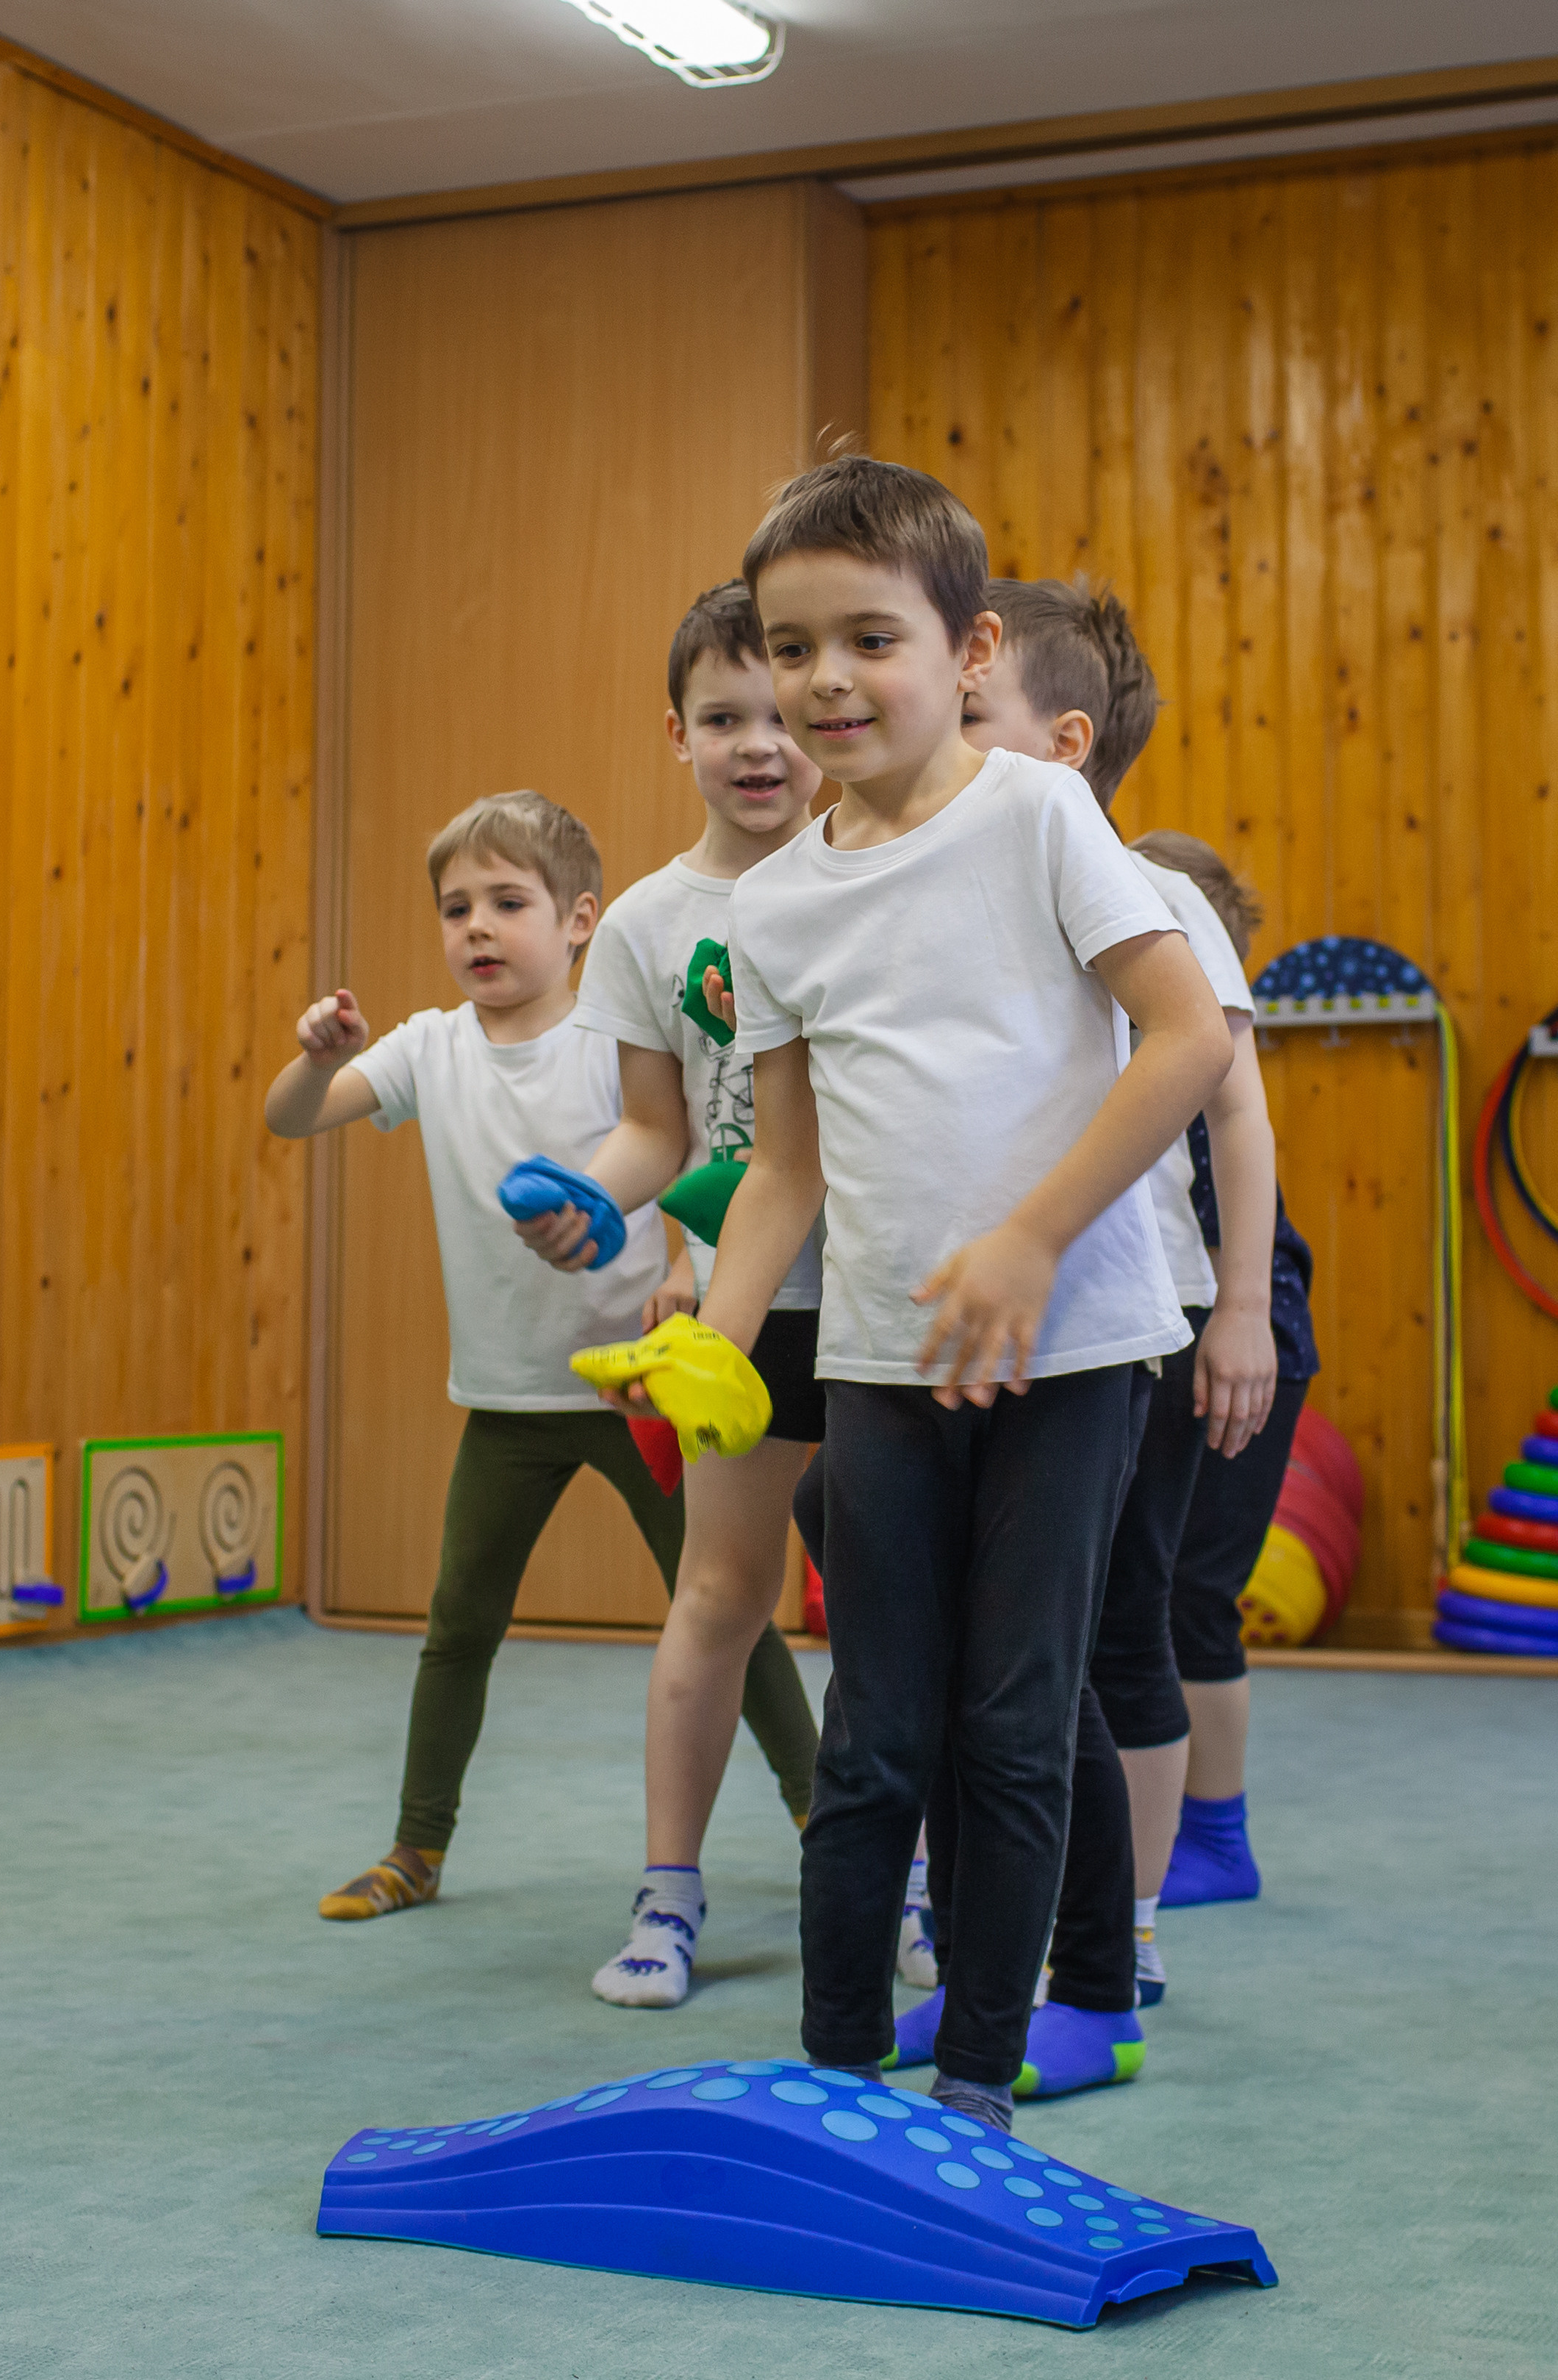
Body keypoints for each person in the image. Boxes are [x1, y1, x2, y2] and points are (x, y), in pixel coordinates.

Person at [638, 454, 1232, 2132]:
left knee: (1011, 1721)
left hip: (1078, 1353)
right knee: (878, 1731)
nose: (826, 681)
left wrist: (1035, 1235)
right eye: (791, 645)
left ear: (969, 653)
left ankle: (976, 2073)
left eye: (868, 641)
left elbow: (1184, 1041)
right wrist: (715, 1331)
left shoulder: (1041, 815)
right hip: (890, 1358)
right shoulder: (774, 906)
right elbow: (787, 1168)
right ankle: (842, 2072)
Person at [264, 789, 813, 1927]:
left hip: (636, 1393)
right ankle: (418, 1846)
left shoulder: (612, 1045)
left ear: (580, 921)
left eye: (507, 902)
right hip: (507, 1404)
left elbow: (683, 1150)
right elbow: (288, 1119)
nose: (476, 927)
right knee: (458, 1624)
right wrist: (317, 1059)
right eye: (456, 906)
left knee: (726, 1609)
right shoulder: (427, 1049)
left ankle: (822, 1817)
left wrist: (677, 1264)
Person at [888, 576, 1278, 2095]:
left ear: (1057, 741)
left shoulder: (1144, 892)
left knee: (1089, 1644)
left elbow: (1230, 1109)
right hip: (1001, 1313)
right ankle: (1017, 1939)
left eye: (969, 710)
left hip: (1140, 1318)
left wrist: (1240, 1309)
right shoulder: (944, 877)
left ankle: (1106, 1958)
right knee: (997, 1651)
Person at [510, 583, 823, 2007]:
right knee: (719, 1589)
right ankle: (668, 1892)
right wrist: (592, 1200)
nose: (758, 744)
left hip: (892, 1298)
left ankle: (921, 1889)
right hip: (734, 1310)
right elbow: (656, 1131)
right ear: (676, 732)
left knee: (892, 1607)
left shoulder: (879, 875)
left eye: (780, 712)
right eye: (723, 717)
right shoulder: (643, 922)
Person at [1127, 831, 1320, 1909]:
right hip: (1184, 1343)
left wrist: (1237, 1324)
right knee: (1152, 1596)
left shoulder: (1206, 1078)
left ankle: (1219, 1833)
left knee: (1194, 1593)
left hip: (1249, 1353)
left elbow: (1240, 1247)